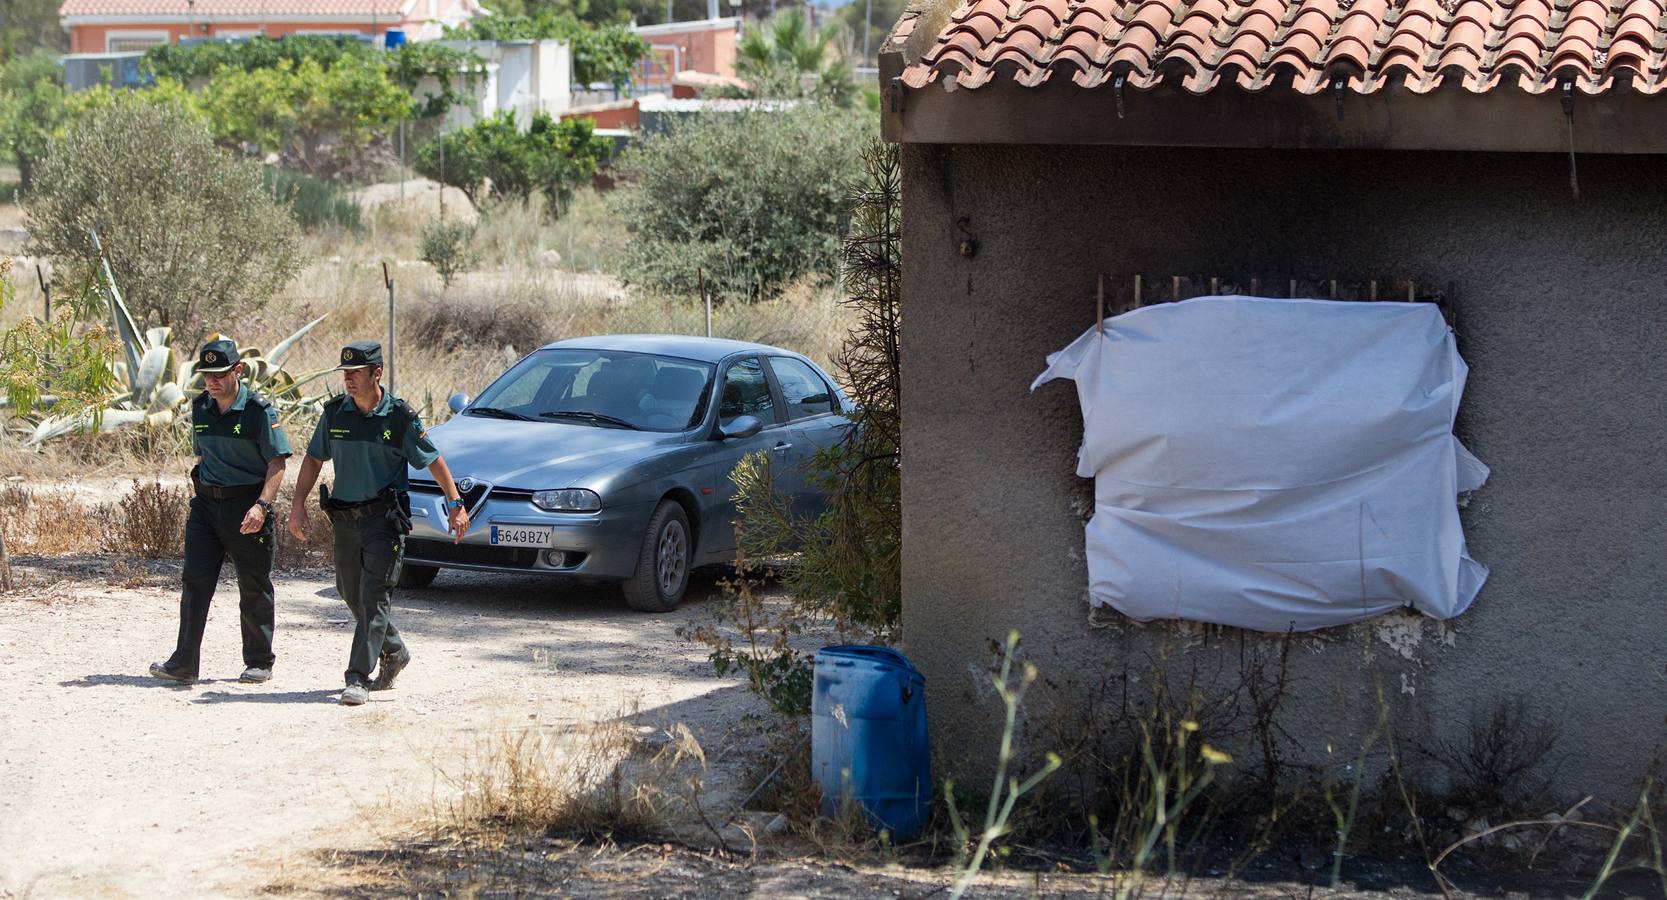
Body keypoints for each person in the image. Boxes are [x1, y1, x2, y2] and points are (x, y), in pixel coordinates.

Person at [287, 340, 469, 707]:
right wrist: (297, 506)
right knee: (348, 590)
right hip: (345, 519)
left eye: (356, 373)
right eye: (345, 373)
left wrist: (456, 503)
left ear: (377, 373)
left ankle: (357, 677)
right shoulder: (335, 414)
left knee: (374, 596)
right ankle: (396, 649)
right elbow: (312, 460)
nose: (349, 380)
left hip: (384, 522)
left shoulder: (399, 416)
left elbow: (433, 460)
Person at [150, 339, 290, 685]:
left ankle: (259, 661)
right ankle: (184, 662)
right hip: (207, 507)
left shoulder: (259, 411)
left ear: (238, 371)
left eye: (219, 374)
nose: (212, 381)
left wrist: (262, 505)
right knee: (195, 582)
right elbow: (203, 456)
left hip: (247, 505)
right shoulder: (201, 408)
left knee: (253, 585)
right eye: (207, 375)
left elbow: (278, 462)